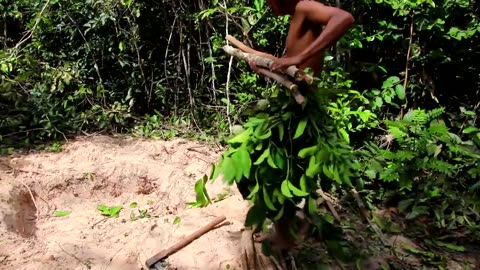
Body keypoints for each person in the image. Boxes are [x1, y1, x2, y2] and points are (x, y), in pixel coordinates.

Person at [248, 0, 354, 77]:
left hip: (307, 98)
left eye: (270, 1)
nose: (269, 4)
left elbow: (345, 18)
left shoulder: (304, 6)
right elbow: (290, 65)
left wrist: (301, 57)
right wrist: (262, 70)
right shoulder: (297, 16)